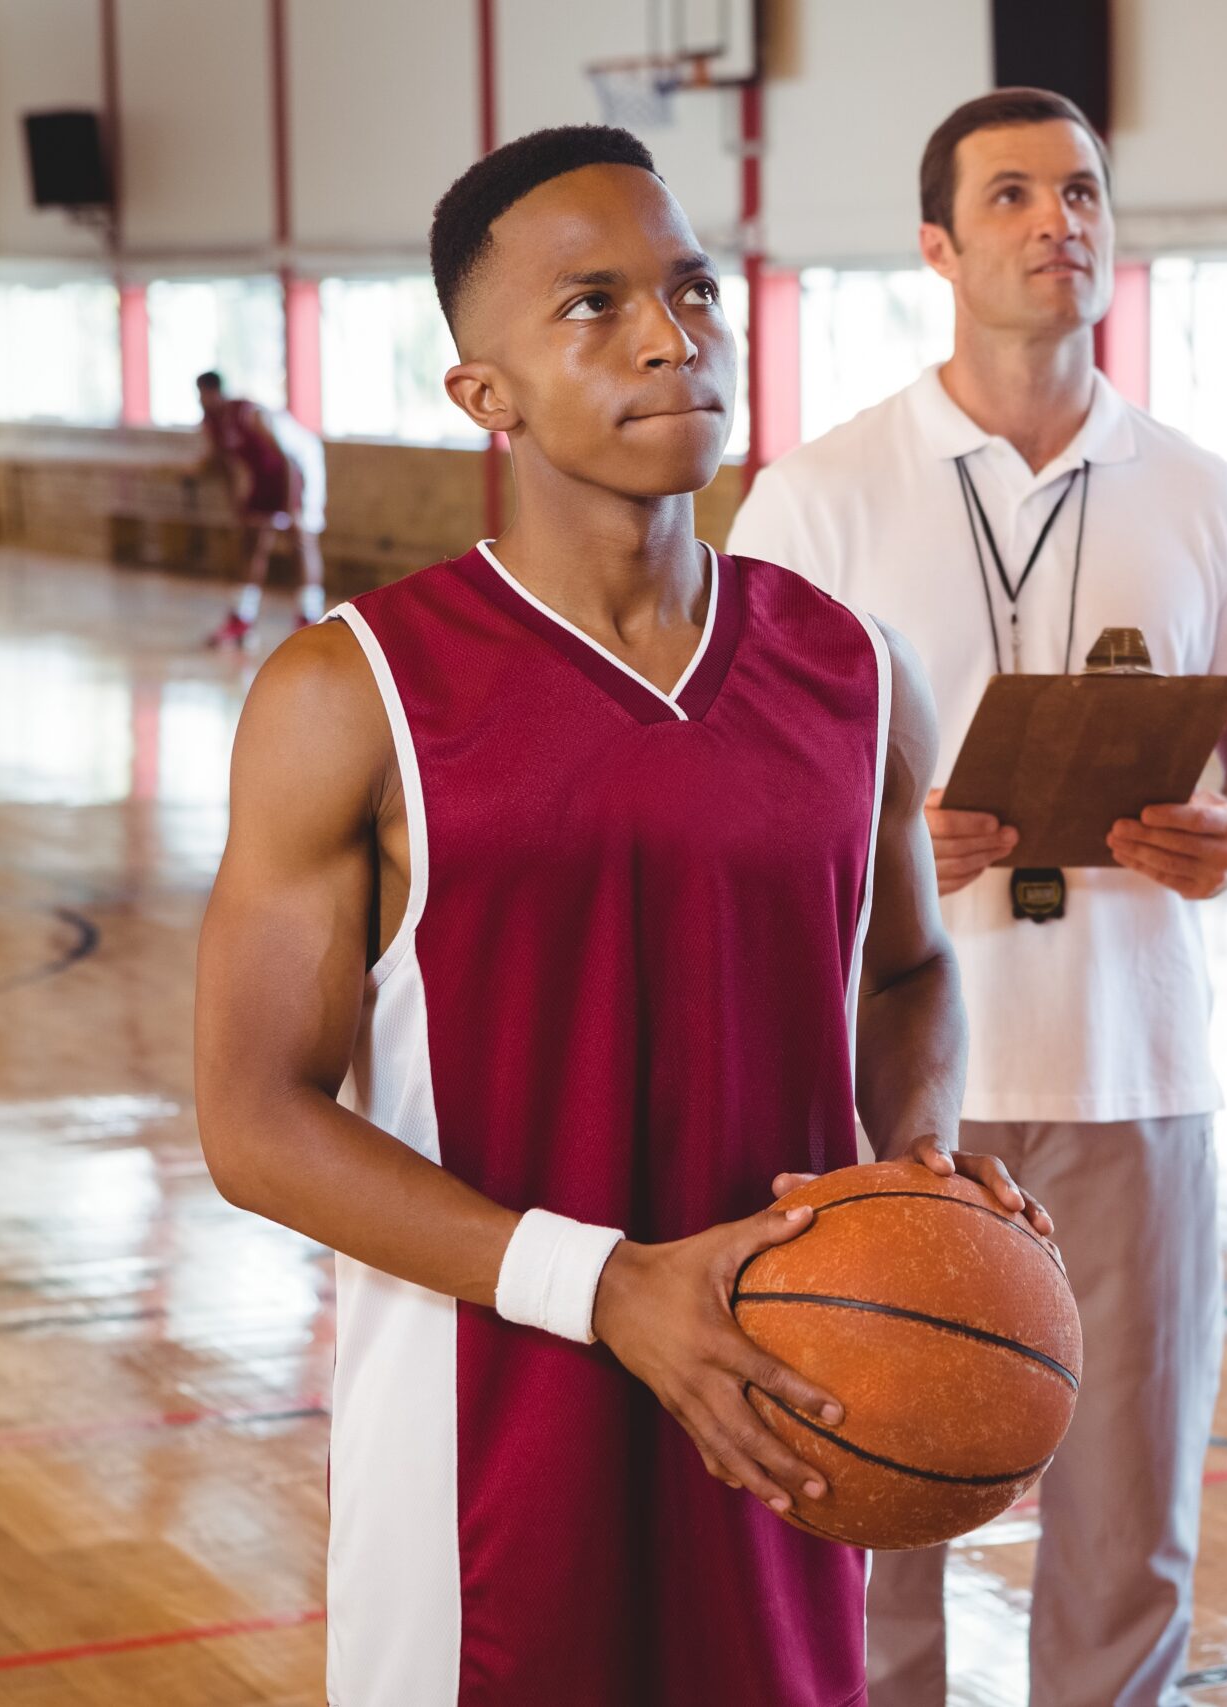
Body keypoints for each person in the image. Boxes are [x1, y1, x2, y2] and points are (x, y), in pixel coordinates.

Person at [194, 124, 1046, 1706]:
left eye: (692, 288)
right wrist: (610, 1286)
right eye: (593, 303)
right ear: (484, 393)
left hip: (794, 1407)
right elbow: (251, 1120)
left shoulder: (854, 673)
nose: (672, 333)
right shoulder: (353, 692)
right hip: (482, 1456)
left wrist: (908, 1185)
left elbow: (914, 973)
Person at [728, 86, 1227, 1707]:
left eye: (1081, 192)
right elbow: (734, 792)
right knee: (870, 1510)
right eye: (1010, 196)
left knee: (1133, 1525)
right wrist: (874, 842)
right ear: (936, 243)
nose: (1056, 220)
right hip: (888, 1084)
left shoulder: (1200, 490)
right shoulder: (818, 495)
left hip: (1139, 1077)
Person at [196, 370, 328, 647]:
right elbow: (227, 468)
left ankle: (309, 617)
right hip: (266, 475)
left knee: (301, 539)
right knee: (252, 541)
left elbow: (286, 459)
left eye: (205, 393)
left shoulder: (249, 413)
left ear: (216, 392)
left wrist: (292, 508)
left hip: (299, 466)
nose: (201, 399)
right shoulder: (212, 424)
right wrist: (238, 507)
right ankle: (242, 617)